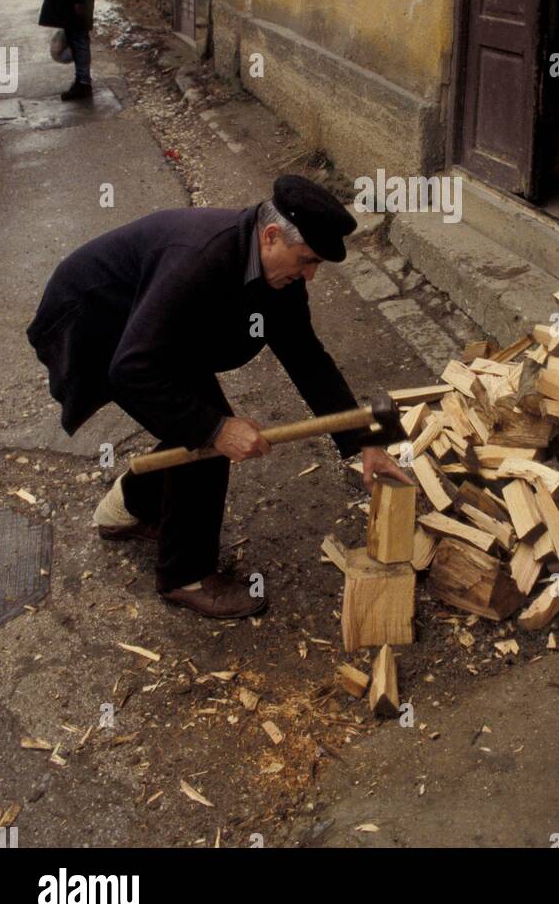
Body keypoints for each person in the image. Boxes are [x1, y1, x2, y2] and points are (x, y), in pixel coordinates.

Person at [26, 176, 409, 619]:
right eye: (307, 260)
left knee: (195, 420)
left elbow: (308, 359)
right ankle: (185, 577)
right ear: (270, 236)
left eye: (317, 264)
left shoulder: (276, 276)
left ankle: (125, 511)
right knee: (207, 434)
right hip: (95, 322)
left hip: (151, 325)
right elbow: (132, 368)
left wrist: (364, 442)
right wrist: (216, 429)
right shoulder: (200, 259)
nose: (310, 274)